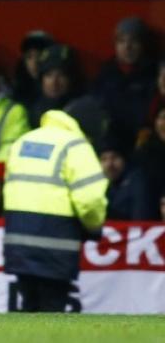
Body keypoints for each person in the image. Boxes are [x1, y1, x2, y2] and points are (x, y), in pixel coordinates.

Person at [3, 107, 108, 312]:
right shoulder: (76, 146)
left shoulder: (23, 141)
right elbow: (90, 199)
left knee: (28, 306)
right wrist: (94, 226)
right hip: (56, 242)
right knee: (52, 308)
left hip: (18, 240)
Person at [92, 17, 156, 151]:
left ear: (143, 44)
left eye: (133, 41)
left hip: (142, 143)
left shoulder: (153, 73)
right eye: (121, 41)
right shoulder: (106, 73)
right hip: (110, 144)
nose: (127, 47)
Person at [99, 136, 151, 221]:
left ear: (125, 160)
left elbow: (139, 222)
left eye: (114, 157)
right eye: (104, 159)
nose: (109, 164)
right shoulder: (106, 184)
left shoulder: (138, 182)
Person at [29, 44, 81, 127]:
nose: (54, 82)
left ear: (71, 79)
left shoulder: (81, 111)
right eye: (48, 75)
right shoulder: (33, 112)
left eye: (61, 75)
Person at [13, 30, 55, 108]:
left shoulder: (58, 88)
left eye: (40, 55)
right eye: (29, 57)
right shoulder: (18, 90)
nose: (34, 62)